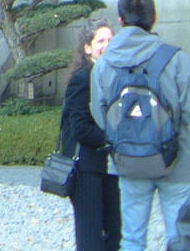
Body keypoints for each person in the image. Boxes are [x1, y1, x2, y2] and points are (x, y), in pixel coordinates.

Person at [90, 0, 190, 251]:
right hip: (177, 160)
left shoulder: (104, 65)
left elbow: (102, 118)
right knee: (181, 237)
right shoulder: (178, 59)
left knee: (132, 239)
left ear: (121, 20)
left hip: (128, 160)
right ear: (154, 18)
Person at [62, 20, 120, 251]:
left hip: (110, 167)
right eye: (101, 40)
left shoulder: (115, 75)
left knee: (115, 233)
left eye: (111, 40)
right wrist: (115, 139)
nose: (107, 45)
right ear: (87, 47)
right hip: (86, 168)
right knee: (90, 238)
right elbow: (79, 128)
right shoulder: (82, 77)